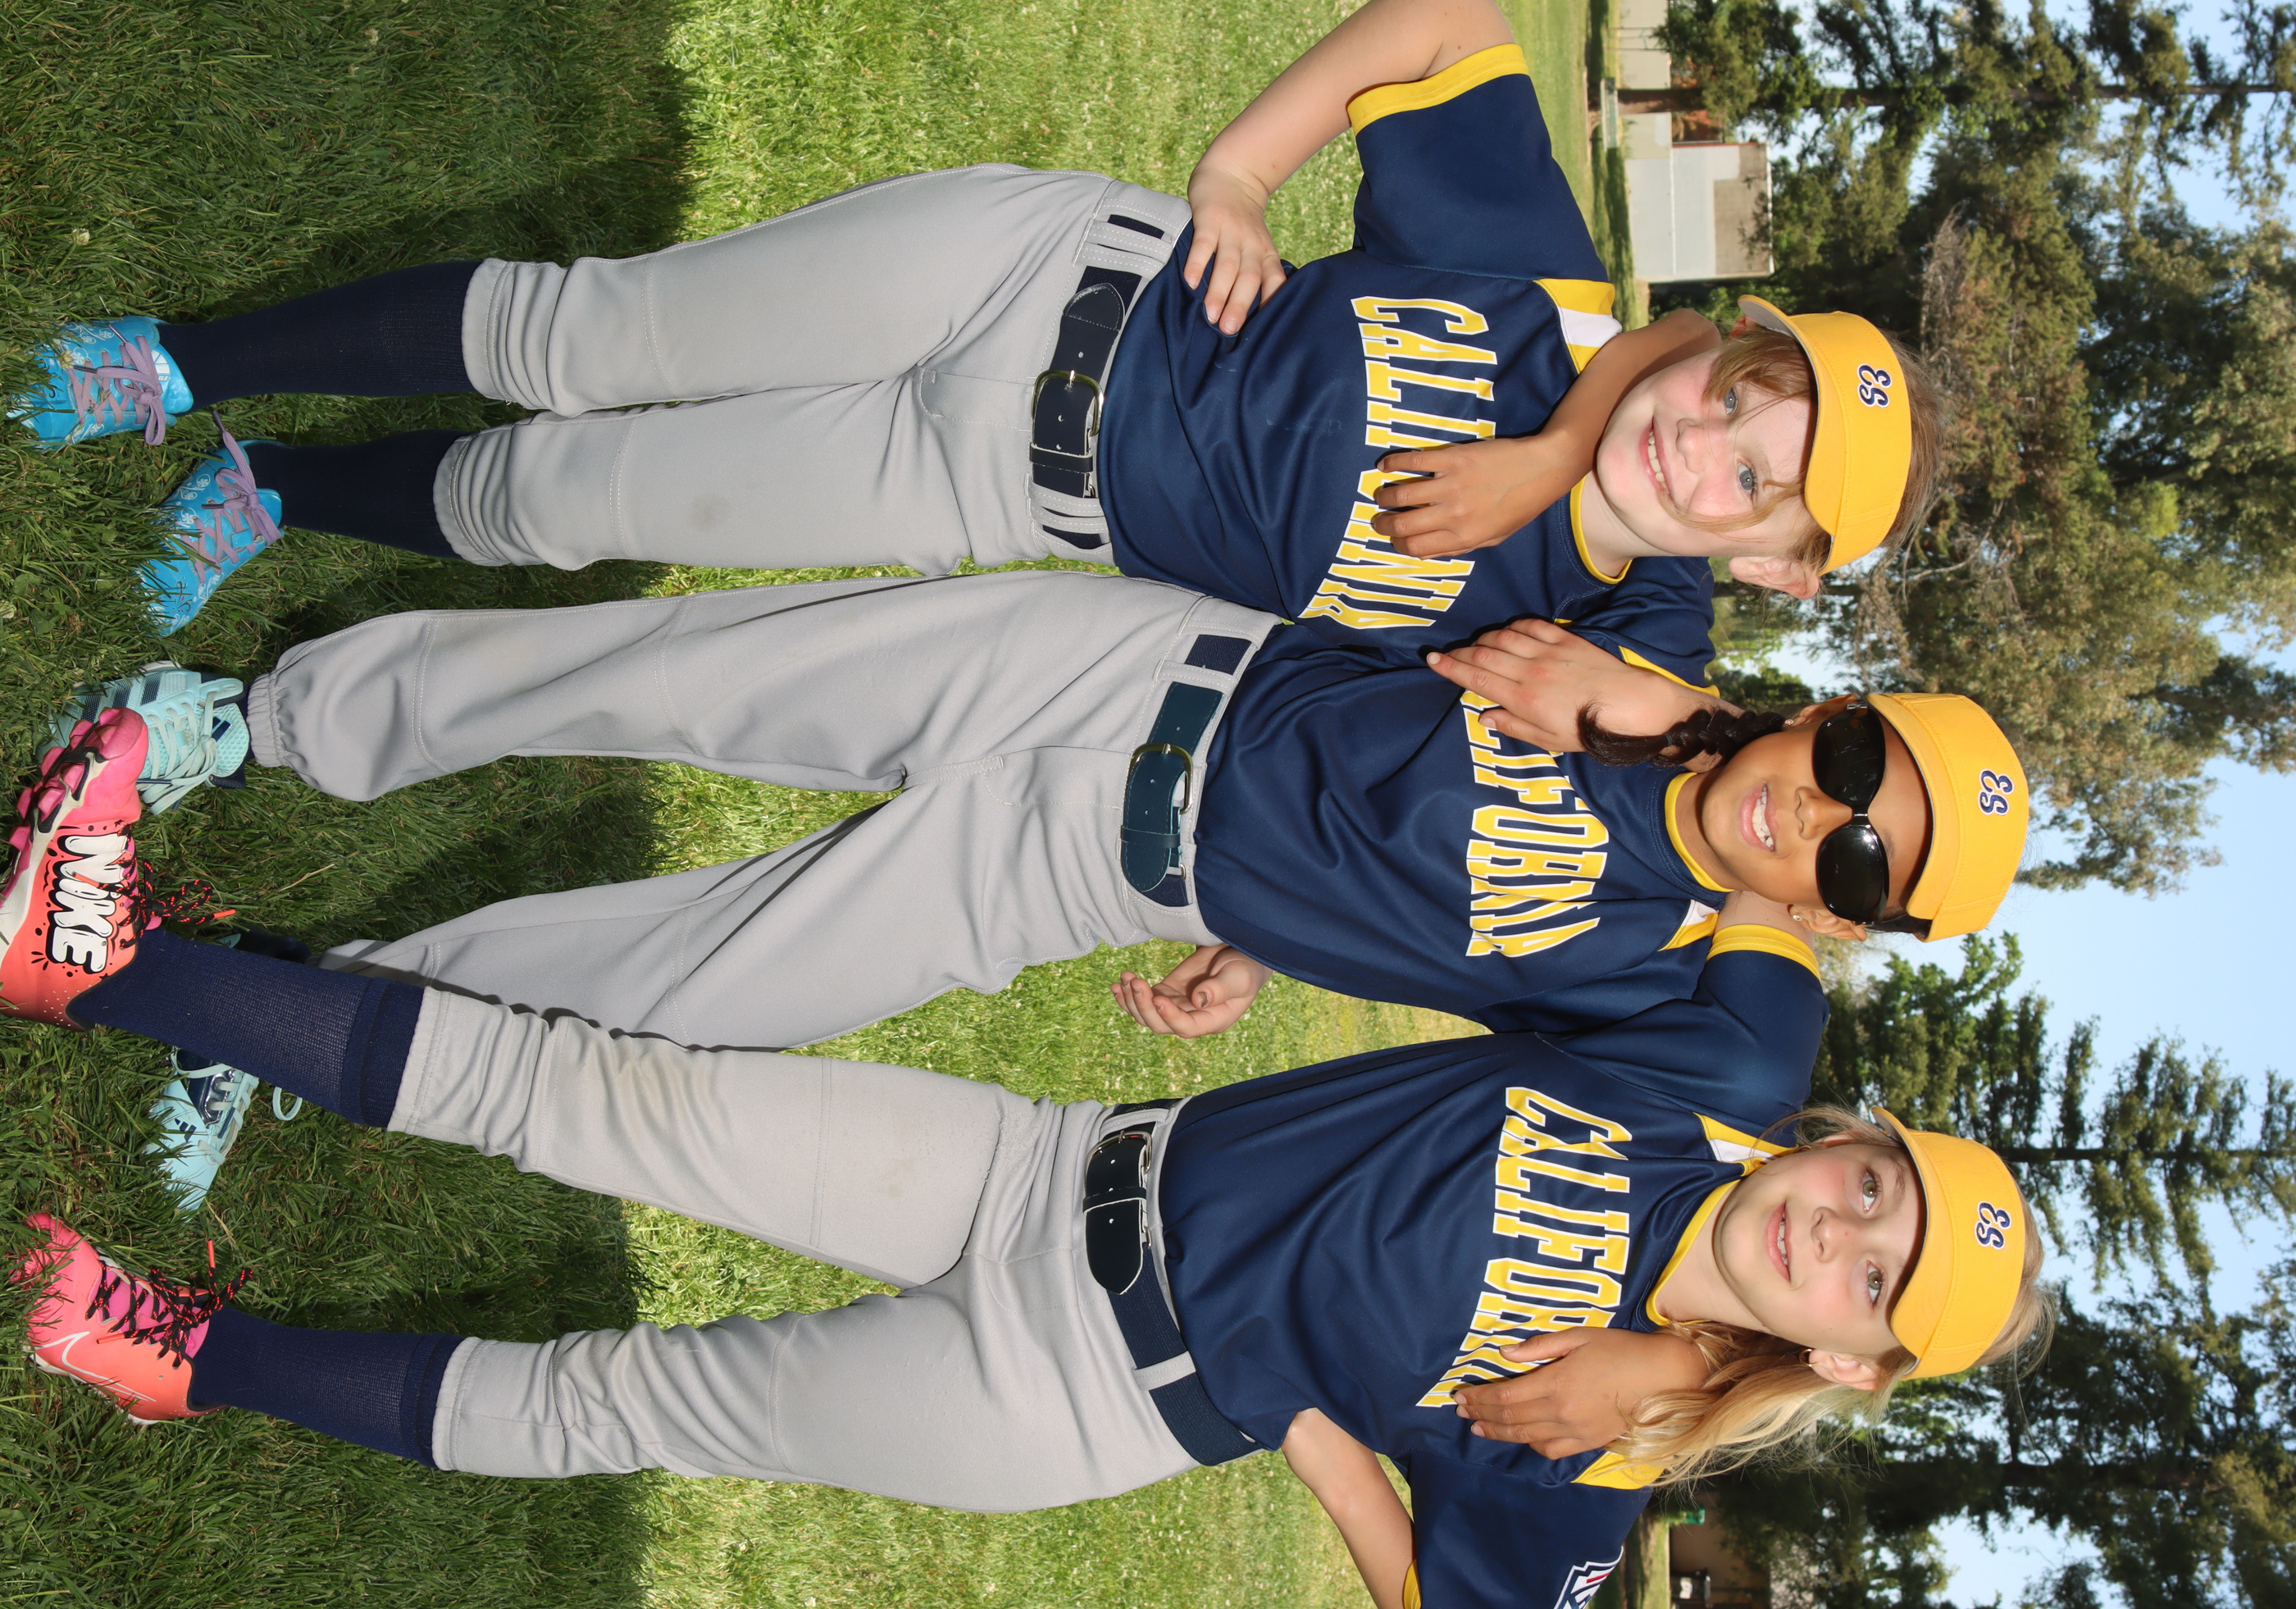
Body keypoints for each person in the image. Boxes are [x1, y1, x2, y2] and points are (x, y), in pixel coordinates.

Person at [2, 729, 2047, 1609]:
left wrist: (1312, 1419)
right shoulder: (1689, 1078)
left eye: (1875, 1284)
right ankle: (97, 964)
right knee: (601, 1092)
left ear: (1851, 1361)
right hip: (1043, 1166)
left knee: (619, 1398)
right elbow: (1767, 839)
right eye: (1876, 1191)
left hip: (1064, 1396)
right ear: (1847, 1144)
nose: (1837, 1232)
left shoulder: (1608, 1456)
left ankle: (189, 1359)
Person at [9, 0, 1932, 664]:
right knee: (581, 339)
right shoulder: (1555, 302)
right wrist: (1238, 175)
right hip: (1041, 277)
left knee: (562, 510)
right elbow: (1446, 13)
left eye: (1751, 482)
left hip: (985, 493)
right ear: (1730, 341)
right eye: (1742, 393)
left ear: (1770, 568)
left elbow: (1666, 786)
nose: (1703, 443)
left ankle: (276, 491)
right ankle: (181, 364)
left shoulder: (1577, 637)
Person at [48, 547, 2028, 1065]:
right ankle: (245, 720)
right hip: (1117, 674)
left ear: (1838, 916)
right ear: (1828, 709)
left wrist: (1258, 938)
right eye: (1854, 765)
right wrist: (1648, 697)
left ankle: (293, 995)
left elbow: (1742, 1076)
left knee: (673, 998)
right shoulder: (1651, 624)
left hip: (1077, 872)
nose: (1820, 815)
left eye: (1863, 862)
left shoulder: (1647, 976)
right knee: (661, 679)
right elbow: (1659, 397)